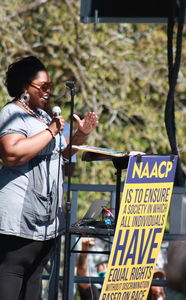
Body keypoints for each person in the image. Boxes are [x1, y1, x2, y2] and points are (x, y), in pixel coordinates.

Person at [0, 55, 98, 300]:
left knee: (34, 290)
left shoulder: (44, 117)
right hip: (16, 225)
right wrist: (52, 130)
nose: (48, 92)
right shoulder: (12, 113)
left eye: (50, 87)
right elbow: (11, 154)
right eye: (43, 86)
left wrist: (81, 135)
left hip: (46, 224)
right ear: (25, 87)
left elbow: (63, 154)